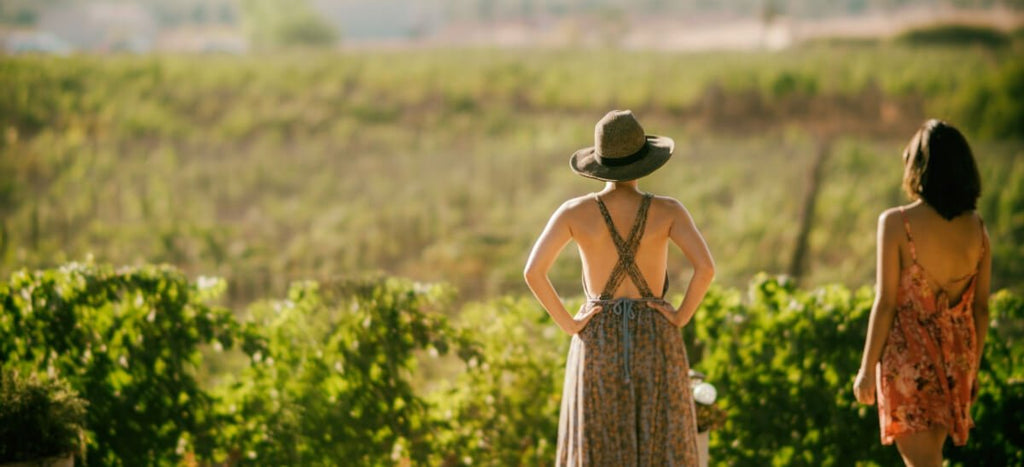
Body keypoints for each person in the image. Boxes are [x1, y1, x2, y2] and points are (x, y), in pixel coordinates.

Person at [524, 110, 715, 466]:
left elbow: (533, 272)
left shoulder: (573, 212)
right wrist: (680, 316)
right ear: (645, 161)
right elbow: (706, 268)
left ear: (599, 164)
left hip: (597, 337)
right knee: (662, 441)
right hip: (656, 335)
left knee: (597, 441)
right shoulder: (668, 211)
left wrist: (570, 324)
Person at [853, 119, 990, 467]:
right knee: (930, 459)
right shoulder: (977, 229)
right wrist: (971, 369)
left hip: (908, 358)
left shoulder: (897, 223)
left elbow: (885, 303)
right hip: (956, 358)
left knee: (922, 462)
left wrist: (866, 369)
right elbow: (981, 310)